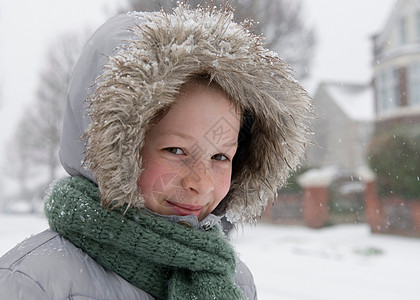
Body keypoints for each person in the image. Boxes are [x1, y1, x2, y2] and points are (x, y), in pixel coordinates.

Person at [0, 3, 311, 299]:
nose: (200, 182)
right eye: (176, 150)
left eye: (220, 157)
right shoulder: (32, 282)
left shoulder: (232, 281)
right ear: (113, 150)